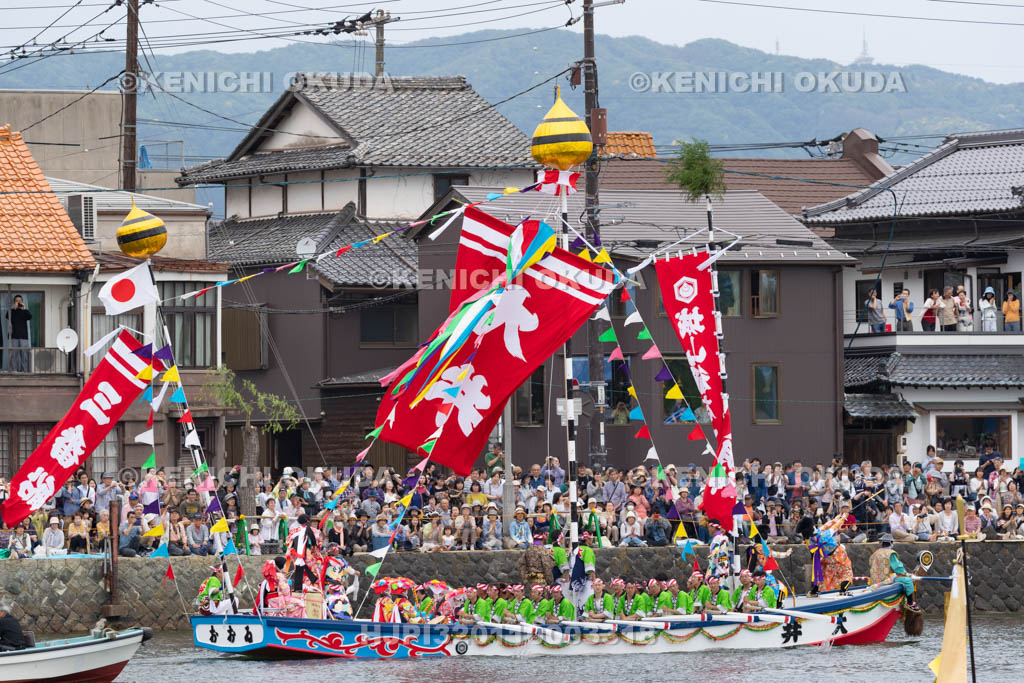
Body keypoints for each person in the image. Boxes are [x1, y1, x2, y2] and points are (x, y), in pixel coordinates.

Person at [869, 534, 917, 609]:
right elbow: (898, 568)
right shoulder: (890, 553)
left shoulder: (875, 553)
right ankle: (910, 603)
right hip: (886, 580)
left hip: (874, 580)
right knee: (908, 581)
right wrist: (907, 574)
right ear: (891, 543)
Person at [288, 513, 320, 592]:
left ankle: (299, 588)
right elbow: (317, 542)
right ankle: (310, 586)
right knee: (310, 569)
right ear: (308, 521)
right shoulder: (314, 530)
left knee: (299, 569)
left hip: (296, 553)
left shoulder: (294, 530)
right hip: (308, 553)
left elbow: (288, 541)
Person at [6, 295, 31, 372]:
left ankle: (24, 371)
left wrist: (24, 309)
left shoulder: (24, 311)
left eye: (20, 301)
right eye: (17, 301)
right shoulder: (12, 311)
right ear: (14, 302)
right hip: (14, 336)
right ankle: (14, 371)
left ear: (22, 301)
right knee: (14, 355)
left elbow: (30, 317)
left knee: (24, 355)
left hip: (24, 337)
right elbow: (7, 316)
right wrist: (14, 308)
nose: (18, 302)